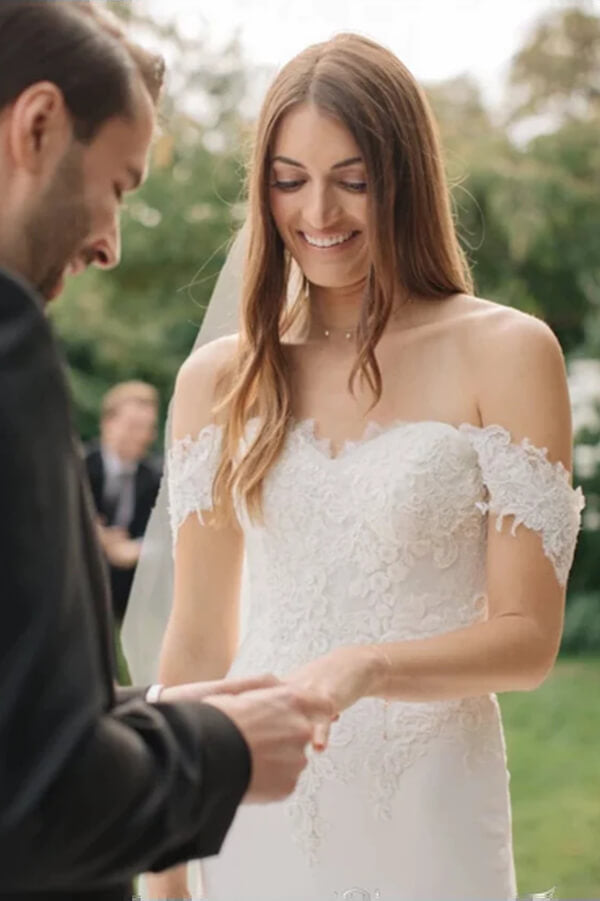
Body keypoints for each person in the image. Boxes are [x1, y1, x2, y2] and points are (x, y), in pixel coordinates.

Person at [126, 33, 585, 901]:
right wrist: (168, 861)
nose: (319, 211)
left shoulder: (511, 352)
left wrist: (366, 666)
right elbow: (195, 640)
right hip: (254, 801)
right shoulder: (219, 378)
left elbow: (528, 638)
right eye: (290, 179)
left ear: (404, 174)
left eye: (354, 178)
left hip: (428, 801)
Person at [0, 4, 334, 900]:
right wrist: (218, 751)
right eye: (117, 185)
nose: (109, 241)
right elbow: (38, 805)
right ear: (36, 126)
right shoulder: (7, 339)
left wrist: (141, 720)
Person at [86, 381, 161, 624]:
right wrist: (95, 536)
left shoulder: (154, 477)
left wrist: (137, 550)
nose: (142, 437)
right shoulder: (79, 468)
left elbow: (164, 535)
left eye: (147, 429)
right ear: (108, 424)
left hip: (131, 585)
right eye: (133, 426)